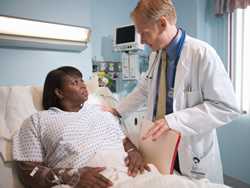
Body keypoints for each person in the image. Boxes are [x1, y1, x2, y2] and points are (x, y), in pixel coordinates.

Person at [104, 0, 240, 184]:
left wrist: (174, 121)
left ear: (162, 23)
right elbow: (144, 88)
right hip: (161, 147)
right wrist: (117, 111)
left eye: (144, 33)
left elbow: (226, 107)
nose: (142, 41)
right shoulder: (156, 55)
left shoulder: (201, 53)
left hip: (191, 149)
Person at [12, 66, 149, 188]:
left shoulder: (100, 111)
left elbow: (123, 140)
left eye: (82, 80)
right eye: (75, 83)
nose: (83, 85)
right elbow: (28, 170)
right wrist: (70, 177)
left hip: (132, 174)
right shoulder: (38, 121)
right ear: (59, 93)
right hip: (88, 183)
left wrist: (133, 151)